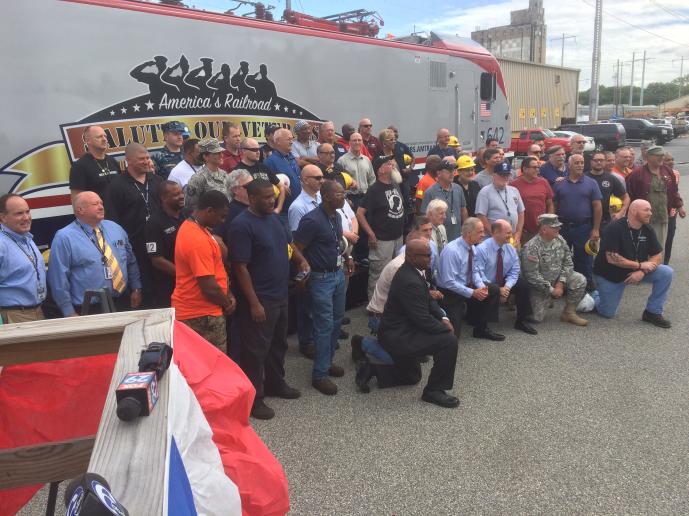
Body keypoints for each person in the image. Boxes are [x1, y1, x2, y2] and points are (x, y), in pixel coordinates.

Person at [229, 179, 309, 419]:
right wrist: (254, 303)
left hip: (281, 293)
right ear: (252, 198)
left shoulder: (274, 219)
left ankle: (276, 383)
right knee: (255, 351)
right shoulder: (241, 225)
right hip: (260, 299)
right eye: (265, 197)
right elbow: (240, 267)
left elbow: (289, 244)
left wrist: (301, 260)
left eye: (272, 196)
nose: (271, 200)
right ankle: (255, 399)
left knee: (278, 344)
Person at [377, 239, 459, 408]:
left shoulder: (414, 271)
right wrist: (444, 329)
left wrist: (443, 318)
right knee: (449, 341)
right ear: (412, 257)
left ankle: (371, 368)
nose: (431, 258)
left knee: (412, 377)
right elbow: (422, 319)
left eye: (431, 254)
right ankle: (433, 391)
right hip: (399, 335)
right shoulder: (409, 280)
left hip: (405, 328)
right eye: (427, 256)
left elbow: (428, 299)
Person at [294, 180, 354, 396]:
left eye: (343, 193)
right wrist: (303, 264)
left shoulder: (336, 216)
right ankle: (319, 375)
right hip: (320, 279)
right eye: (339, 194)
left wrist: (347, 257)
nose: (343, 197)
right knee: (324, 326)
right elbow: (295, 247)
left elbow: (335, 242)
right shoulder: (311, 220)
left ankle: (327, 363)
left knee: (337, 321)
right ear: (326, 196)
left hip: (337, 274)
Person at [48, 192, 141, 316]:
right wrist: (68, 311)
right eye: (95, 204)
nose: (101, 207)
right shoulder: (64, 237)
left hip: (122, 301)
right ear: (80, 209)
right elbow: (58, 278)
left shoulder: (115, 228)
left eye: (101, 203)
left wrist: (136, 288)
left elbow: (131, 261)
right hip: (90, 308)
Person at [593, 199, 673, 328]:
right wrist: (640, 266)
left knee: (666, 272)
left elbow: (657, 255)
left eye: (650, 210)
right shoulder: (614, 228)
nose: (650, 213)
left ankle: (652, 312)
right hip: (611, 274)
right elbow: (612, 258)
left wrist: (642, 272)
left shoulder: (647, 228)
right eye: (646, 210)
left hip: (636, 270)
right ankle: (594, 296)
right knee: (607, 312)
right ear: (634, 211)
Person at [172, 190, 236, 352]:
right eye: (221, 216)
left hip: (201, 311)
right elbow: (208, 287)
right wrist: (226, 302)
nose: (223, 221)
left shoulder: (198, 228)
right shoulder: (197, 239)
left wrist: (228, 293)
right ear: (209, 210)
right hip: (201, 314)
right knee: (214, 362)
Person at [104, 142, 163, 306]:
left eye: (147, 158)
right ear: (128, 160)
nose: (146, 161)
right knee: (144, 295)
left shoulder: (158, 181)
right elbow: (111, 221)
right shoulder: (116, 186)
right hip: (135, 248)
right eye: (141, 159)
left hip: (160, 247)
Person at [520, 214, 588, 326]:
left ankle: (568, 313)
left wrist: (560, 283)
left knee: (579, 279)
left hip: (557, 280)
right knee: (536, 318)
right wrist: (552, 290)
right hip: (539, 287)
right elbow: (532, 276)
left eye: (558, 226)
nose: (559, 228)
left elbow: (568, 263)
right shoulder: (531, 247)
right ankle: (545, 299)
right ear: (544, 230)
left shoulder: (559, 240)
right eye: (555, 227)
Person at [472, 219, 536, 336]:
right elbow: (478, 275)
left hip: (502, 282)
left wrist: (507, 287)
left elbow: (514, 271)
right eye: (508, 233)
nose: (511, 235)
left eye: (511, 232)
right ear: (496, 233)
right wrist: (498, 289)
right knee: (493, 289)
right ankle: (481, 329)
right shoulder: (482, 249)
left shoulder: (510, 249)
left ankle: (521, 321)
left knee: (523, 284)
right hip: (484, 282)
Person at [356, 155, 405, 299]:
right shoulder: (374, 190)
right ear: (380, 170)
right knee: (379, 274)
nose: (392, 165)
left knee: (397, 272)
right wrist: (370, 234)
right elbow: (360, 213)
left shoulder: (395, 185)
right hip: (382, 240)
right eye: (388, 164)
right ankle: (374, 307)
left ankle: (391, 303)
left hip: (398, 237)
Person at [625, 145, 684, 258]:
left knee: (658, 247)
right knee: (642, 247)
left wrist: (679, 206)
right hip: (642, 219)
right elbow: (628, 195)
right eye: (658, 156)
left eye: (662, 155)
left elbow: (673, 191)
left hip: (662, 216)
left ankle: (657, 266)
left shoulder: (667, 170)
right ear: (648, 157)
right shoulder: (636, 174)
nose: (661, 158)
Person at [553, 154, 602, 287]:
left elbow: (597, 207)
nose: (580, 165)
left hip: (583, 228)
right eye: (576, 163)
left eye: (582, 162)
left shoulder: (591, 183)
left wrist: (596, 229)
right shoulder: (560, 183)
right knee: (560, 258)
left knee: (584, 260)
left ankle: (586, 287)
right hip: (562, 227)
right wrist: (553, 226)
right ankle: (561, 287)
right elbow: (554, 205)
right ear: (569, 165)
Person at [0, 194, 47, 323]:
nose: (26, 217)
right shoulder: (2, 244)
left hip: (38, 311)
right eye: (19, 213)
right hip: (13, 315)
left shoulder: (27, 239)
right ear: (3, 217)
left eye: (27, 212)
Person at [145, 181, 185, 308]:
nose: (181, 196)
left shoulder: (188, 214)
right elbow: (157, 260)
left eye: (181, 193)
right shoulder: (154, 223)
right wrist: (184, 275)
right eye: (176, 194)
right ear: (164, 198)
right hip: (169, 286)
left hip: (193, 282)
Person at [474, 166, 525, 245]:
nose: (505, 177)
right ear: (494, 175)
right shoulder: (485, 192)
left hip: (512, 238)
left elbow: (521, 213)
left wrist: (518, 233)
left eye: (507, 175)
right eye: (502, 175)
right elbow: (481, 216)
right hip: (493, 239)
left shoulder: (514, 190)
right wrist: (494, 235)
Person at [69, 125, 120, 201]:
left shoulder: (112, 161)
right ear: (88, 140)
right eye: (99, 137)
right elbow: (76, 199)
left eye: (105, 136)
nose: (104, 139)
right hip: (98, 208)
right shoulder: (79, 166)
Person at [234, 137, 285, 213]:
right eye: (254, 150)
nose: (258, 152)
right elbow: (240, 199)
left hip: (269, 212)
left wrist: (278, 208)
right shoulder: (238, 172)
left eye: (258, 149)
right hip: (251, 214)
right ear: (244, 151)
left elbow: (281, 186)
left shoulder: (263, 167)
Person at [420, 161, 467, 242]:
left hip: (457, 235)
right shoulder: (430, 192)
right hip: (439, 238)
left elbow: (463, 209)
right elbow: (425, 216)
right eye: (448, 172)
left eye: (453, 171)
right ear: (439, 173)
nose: (452, 174)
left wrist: (465, 227)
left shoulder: (458, 188)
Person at [510, 156, 554, 243]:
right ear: (525, 169)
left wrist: (548, 222)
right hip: (524, 232)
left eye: (538, 167)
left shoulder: (543, 182)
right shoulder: (513, 185)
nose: (537, 170)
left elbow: (550, 203)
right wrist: (518, 229)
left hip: (542, 229)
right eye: (534, 167)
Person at [585, 150, 629, 231]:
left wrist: (621, 213)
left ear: (605, 162)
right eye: (596, 160)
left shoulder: (611, 178)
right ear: (591, 162)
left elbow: (626, 197)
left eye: (601, 160)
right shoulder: (583, 177)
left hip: (604, 222)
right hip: (585, 222)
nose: (599, 162)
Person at [264, 128, 302, 216]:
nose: (292, 142)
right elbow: (266, 185)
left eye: (292, 139)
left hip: (298, 208)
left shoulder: (292, 158)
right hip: (283, 212)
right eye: (288, 139)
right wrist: (279, 186)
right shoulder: (270, 162)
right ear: (278, 141)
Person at [184, 138, 227, 211]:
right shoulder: (198, 178)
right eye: (216, 153)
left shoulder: (224, 174)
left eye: (221, 152)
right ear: (205, 156)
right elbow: (190, 207)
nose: (221, 155)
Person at [337, 132, 376, 202]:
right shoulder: (342, 160)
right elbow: (339, 183)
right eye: (354, 140)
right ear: (349, 143)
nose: (357, 142)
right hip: (350, 198)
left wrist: (371, 196)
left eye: (359, 140)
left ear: (362, 142)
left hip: (366, 198)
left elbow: (372, 179)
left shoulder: (367, 160)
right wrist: (346, 199)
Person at [288, 165, 323, 232]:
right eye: (318, 178)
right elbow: (297, 235)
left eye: (322, 177)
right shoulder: (297, 207)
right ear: (306, 180)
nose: (322, 181)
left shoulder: (322, 197)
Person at [663, 152, 680, 265]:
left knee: (670, 236)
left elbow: (675, 192)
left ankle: (666, 262)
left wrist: (680, 206)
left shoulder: (676, 173)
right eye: (668, 160)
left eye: (672, 159)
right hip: (658, 211)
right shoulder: (657, 173)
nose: (671, 162)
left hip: (672, 211)